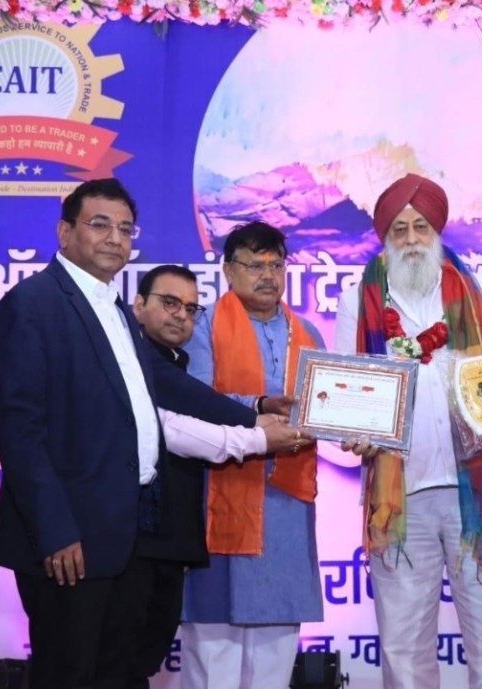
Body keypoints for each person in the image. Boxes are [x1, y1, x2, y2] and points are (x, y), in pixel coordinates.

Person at [0, 179, 309, 689]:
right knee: (68, 674)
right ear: (64, 232)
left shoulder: (110, 307)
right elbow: (17, 429)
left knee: (116, 674)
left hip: (119, 535)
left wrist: (254, 413)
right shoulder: (33, 303)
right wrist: (56, 530)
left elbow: (163, 381)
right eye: (100, 225)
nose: (115, 238)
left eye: (125, 229)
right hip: (69, 538)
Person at [334, 173, 482, 689]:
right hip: (398, 498)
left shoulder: (479, 291)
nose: (411, 239)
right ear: (385, 237)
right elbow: (344, 391)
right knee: (403, 642)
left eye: (421, 227)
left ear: (437, 231)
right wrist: (349, 432)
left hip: (479, 494)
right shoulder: (358, 299)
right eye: (398, 230)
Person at [179, 221, 324, 689]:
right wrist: (258, 409)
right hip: (221, 495)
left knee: (275, 654)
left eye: (276, 265)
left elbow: (327, 406)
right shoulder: (202, 327)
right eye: (255, 265)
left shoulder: (308, 333)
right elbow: (196, 403)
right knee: (214, 650)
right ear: (228, 270)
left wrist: (358, 428)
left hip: (286, 505)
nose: (268, 275)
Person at [127, 265, 207, 685]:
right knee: (115, 664)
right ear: (138, 305)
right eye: (170, 302)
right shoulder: (129, 364)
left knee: (143, 662)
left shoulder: (179, 366)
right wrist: (259, 420)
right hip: (132, 545)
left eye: (191, 309)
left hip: (171, 545)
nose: (181, 315)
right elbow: (181, 434)